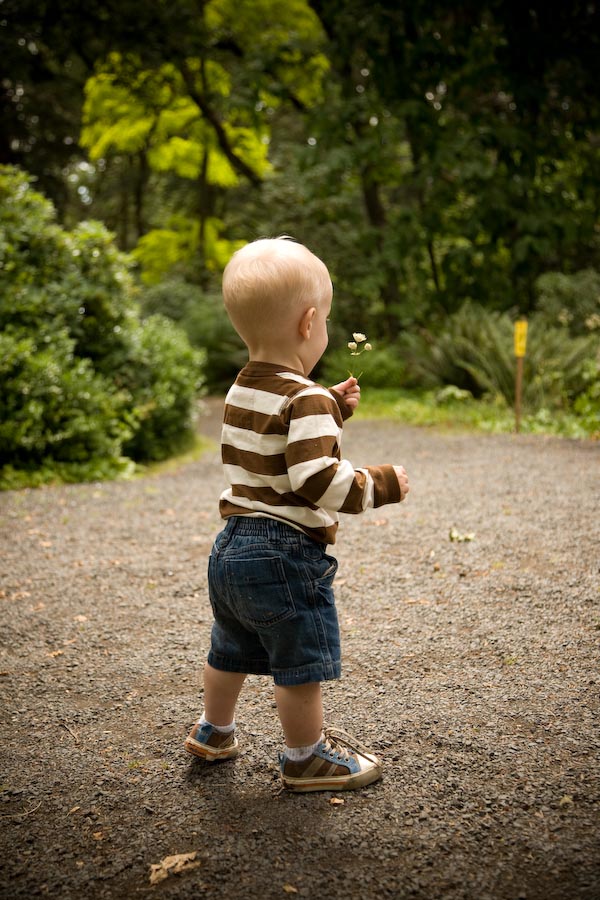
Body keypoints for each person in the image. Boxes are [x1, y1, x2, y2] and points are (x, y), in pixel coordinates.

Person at [185, 237, 409, 792]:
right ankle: (305, 757)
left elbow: (273, 440)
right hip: (283, 554)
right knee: (301, 659)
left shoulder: (242, 386)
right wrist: (378, 483)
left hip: (231, 546)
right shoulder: (303, 399)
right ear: (309, 323)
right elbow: (316, 480)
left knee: (229, 647)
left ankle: (214, 731)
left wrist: (328, 404)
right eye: (328, 319)